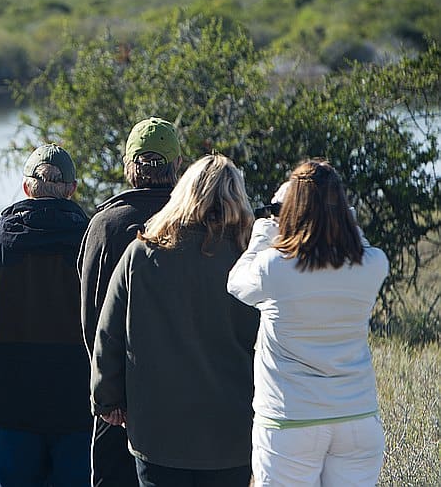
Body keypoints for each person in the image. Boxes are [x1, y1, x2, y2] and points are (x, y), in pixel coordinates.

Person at [91, 154, 259, 487]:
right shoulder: (252, 260)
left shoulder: (142, 253)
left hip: (158, 434)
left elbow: (108, 334)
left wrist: (107, 399)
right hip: (233, 433)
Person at [227, 160, 388, 486]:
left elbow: (236, 283)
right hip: (357, 417)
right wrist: (345, 221)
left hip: (289, 421)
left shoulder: (275, 266)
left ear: (293, 210)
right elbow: (357, 245)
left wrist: (266, 230)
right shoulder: (373, 264)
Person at [0, 143, 92, 487]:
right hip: (77, 403)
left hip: (11, 401)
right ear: (71, 189)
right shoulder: (92, 245)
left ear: (26, 187)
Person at [77, 116, 182, 486]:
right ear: (177, 167)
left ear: (128, 168)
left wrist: (109, 395)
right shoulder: (197, 220)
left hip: (121, 403)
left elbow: (92, 321)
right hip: (188, 396)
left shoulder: (106, 225)